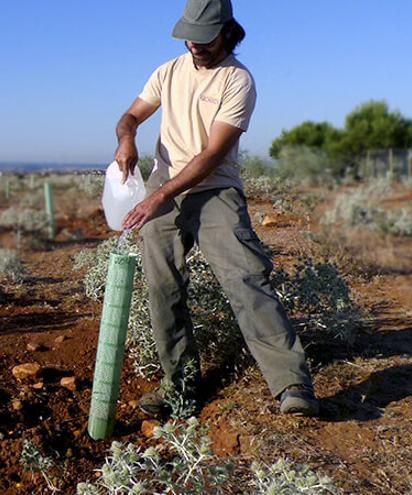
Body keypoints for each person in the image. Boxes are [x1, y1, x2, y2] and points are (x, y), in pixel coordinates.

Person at [114, 0, 319, 417]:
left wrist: (158, 196)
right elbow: (131, 115)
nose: (196, 45)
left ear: (227, 31)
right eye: (190, 35)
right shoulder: (167, 71)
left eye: (205, 36)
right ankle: (181, 388)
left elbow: (211, 154)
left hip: (215, 189)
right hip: (165, 184)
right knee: (162, 288)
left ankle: (292, 384)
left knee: (245, 279)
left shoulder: (238, 81)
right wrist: (127, 138)